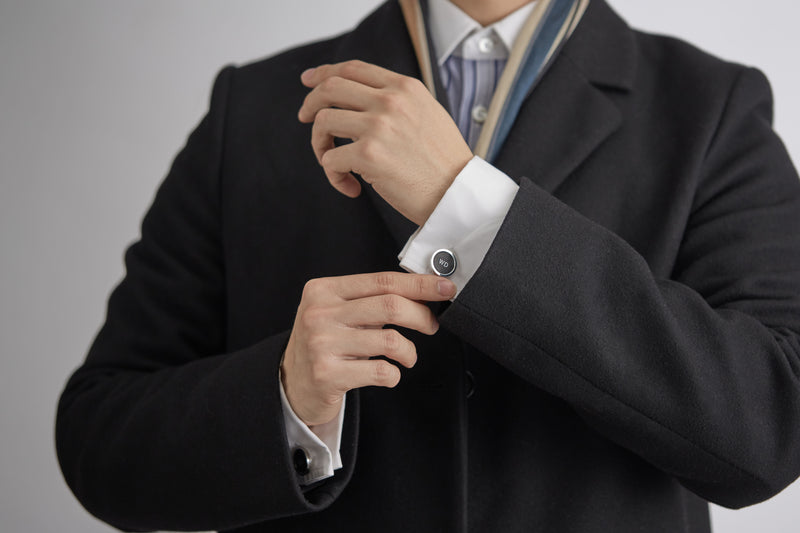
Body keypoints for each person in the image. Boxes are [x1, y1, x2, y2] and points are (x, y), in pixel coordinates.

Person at [56, 0, 800, 531]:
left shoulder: (712, 108)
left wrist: (465, 203)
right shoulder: (252, 108)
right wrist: (286, 398)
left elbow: (769, 428)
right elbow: (100, 438)